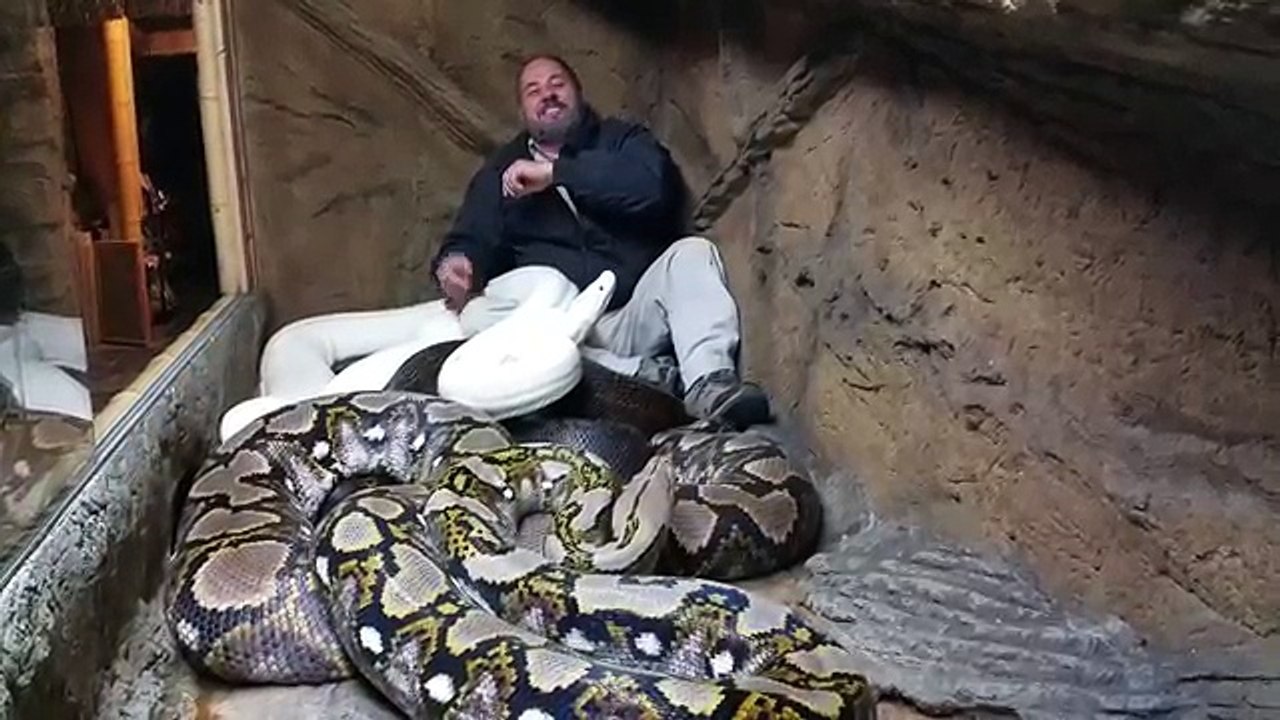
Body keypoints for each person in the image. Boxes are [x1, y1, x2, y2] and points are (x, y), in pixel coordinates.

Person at [430, 54, 772, 429]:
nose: (548, 94)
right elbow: (471, 237)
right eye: (534, 90)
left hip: (633, 314)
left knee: (692, 253)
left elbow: (652, 189)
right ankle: (648, 378)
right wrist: (456, 262)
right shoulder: (500, 171)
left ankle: (710, 385)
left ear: (577, 92)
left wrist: (557, 173)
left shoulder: (621, 140)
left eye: (557, 84)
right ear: (522, 110)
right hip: (562, 335)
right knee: (481, 315)